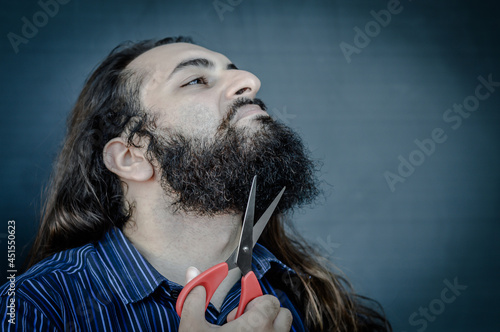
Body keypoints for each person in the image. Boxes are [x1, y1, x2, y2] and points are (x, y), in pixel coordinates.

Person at [0, 36, 391, 331]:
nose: (250, 81)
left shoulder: (312, 299)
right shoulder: (37, 307)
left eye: (236, 71)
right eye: (196, 80)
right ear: (131, 157)